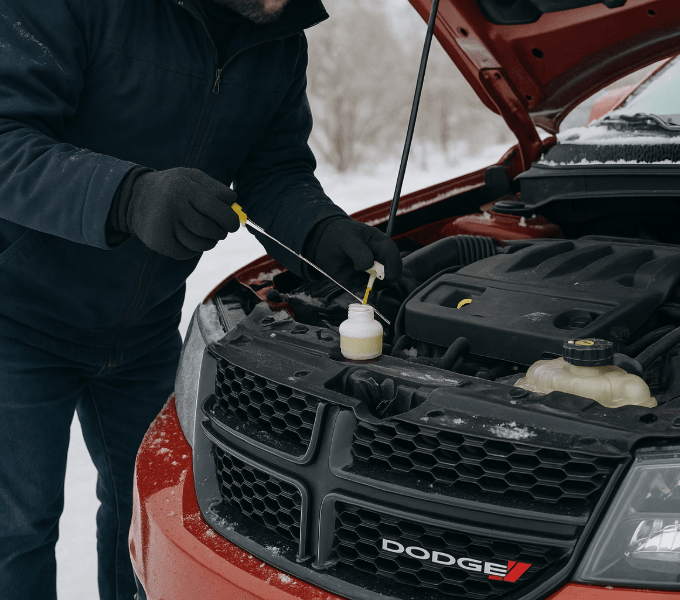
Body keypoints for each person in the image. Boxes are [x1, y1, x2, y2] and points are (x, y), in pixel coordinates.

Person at [0, 0, 401, 598]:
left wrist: (320, 233)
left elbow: (273, 172)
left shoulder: (280, 38)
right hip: (19, 319)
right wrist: (128, 197)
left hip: (143, 329)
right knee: (20, 525)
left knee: (143, 507)